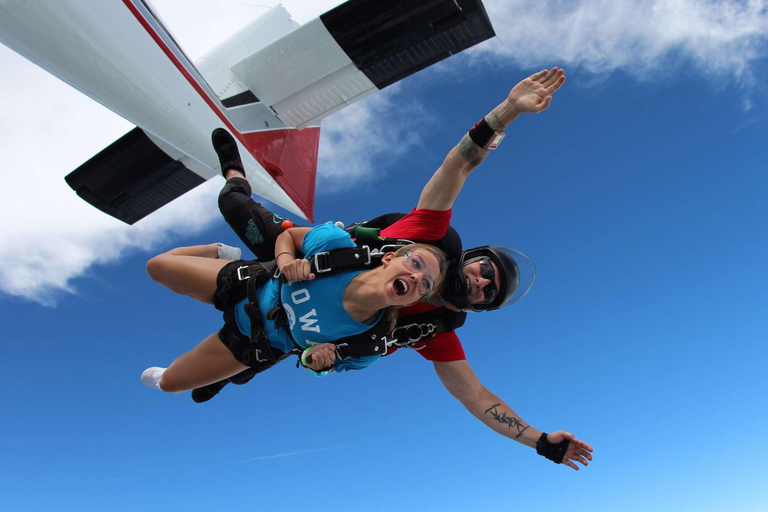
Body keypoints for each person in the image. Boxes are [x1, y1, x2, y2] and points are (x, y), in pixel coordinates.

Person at [201, 68, 593, 470]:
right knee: (234, 205)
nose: (479, 281)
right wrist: (508, 110)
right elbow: (457, 166)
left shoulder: (437, 328)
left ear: (479, 307)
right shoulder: (428, 235)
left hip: (305, 326)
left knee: (253, 359)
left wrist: (541, 442)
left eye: (487, 291)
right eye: (482, 268)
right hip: (306, 262)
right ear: (468, 256)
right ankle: (235, 176)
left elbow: (476, 397)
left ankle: (225, 373)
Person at [140, 219, 447, 392]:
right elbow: (288, 235)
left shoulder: (367, 346)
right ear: (390, 258)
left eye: (426, 284)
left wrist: (316, 363)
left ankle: (204, 376)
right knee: (157, 266)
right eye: (416, 263)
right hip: (247, 284)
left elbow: (316, 368)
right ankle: (218, 251)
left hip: (252, 344)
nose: (417, 277)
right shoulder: (337, 249)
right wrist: (286, 260)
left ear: (415, 299)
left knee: (168, 384)